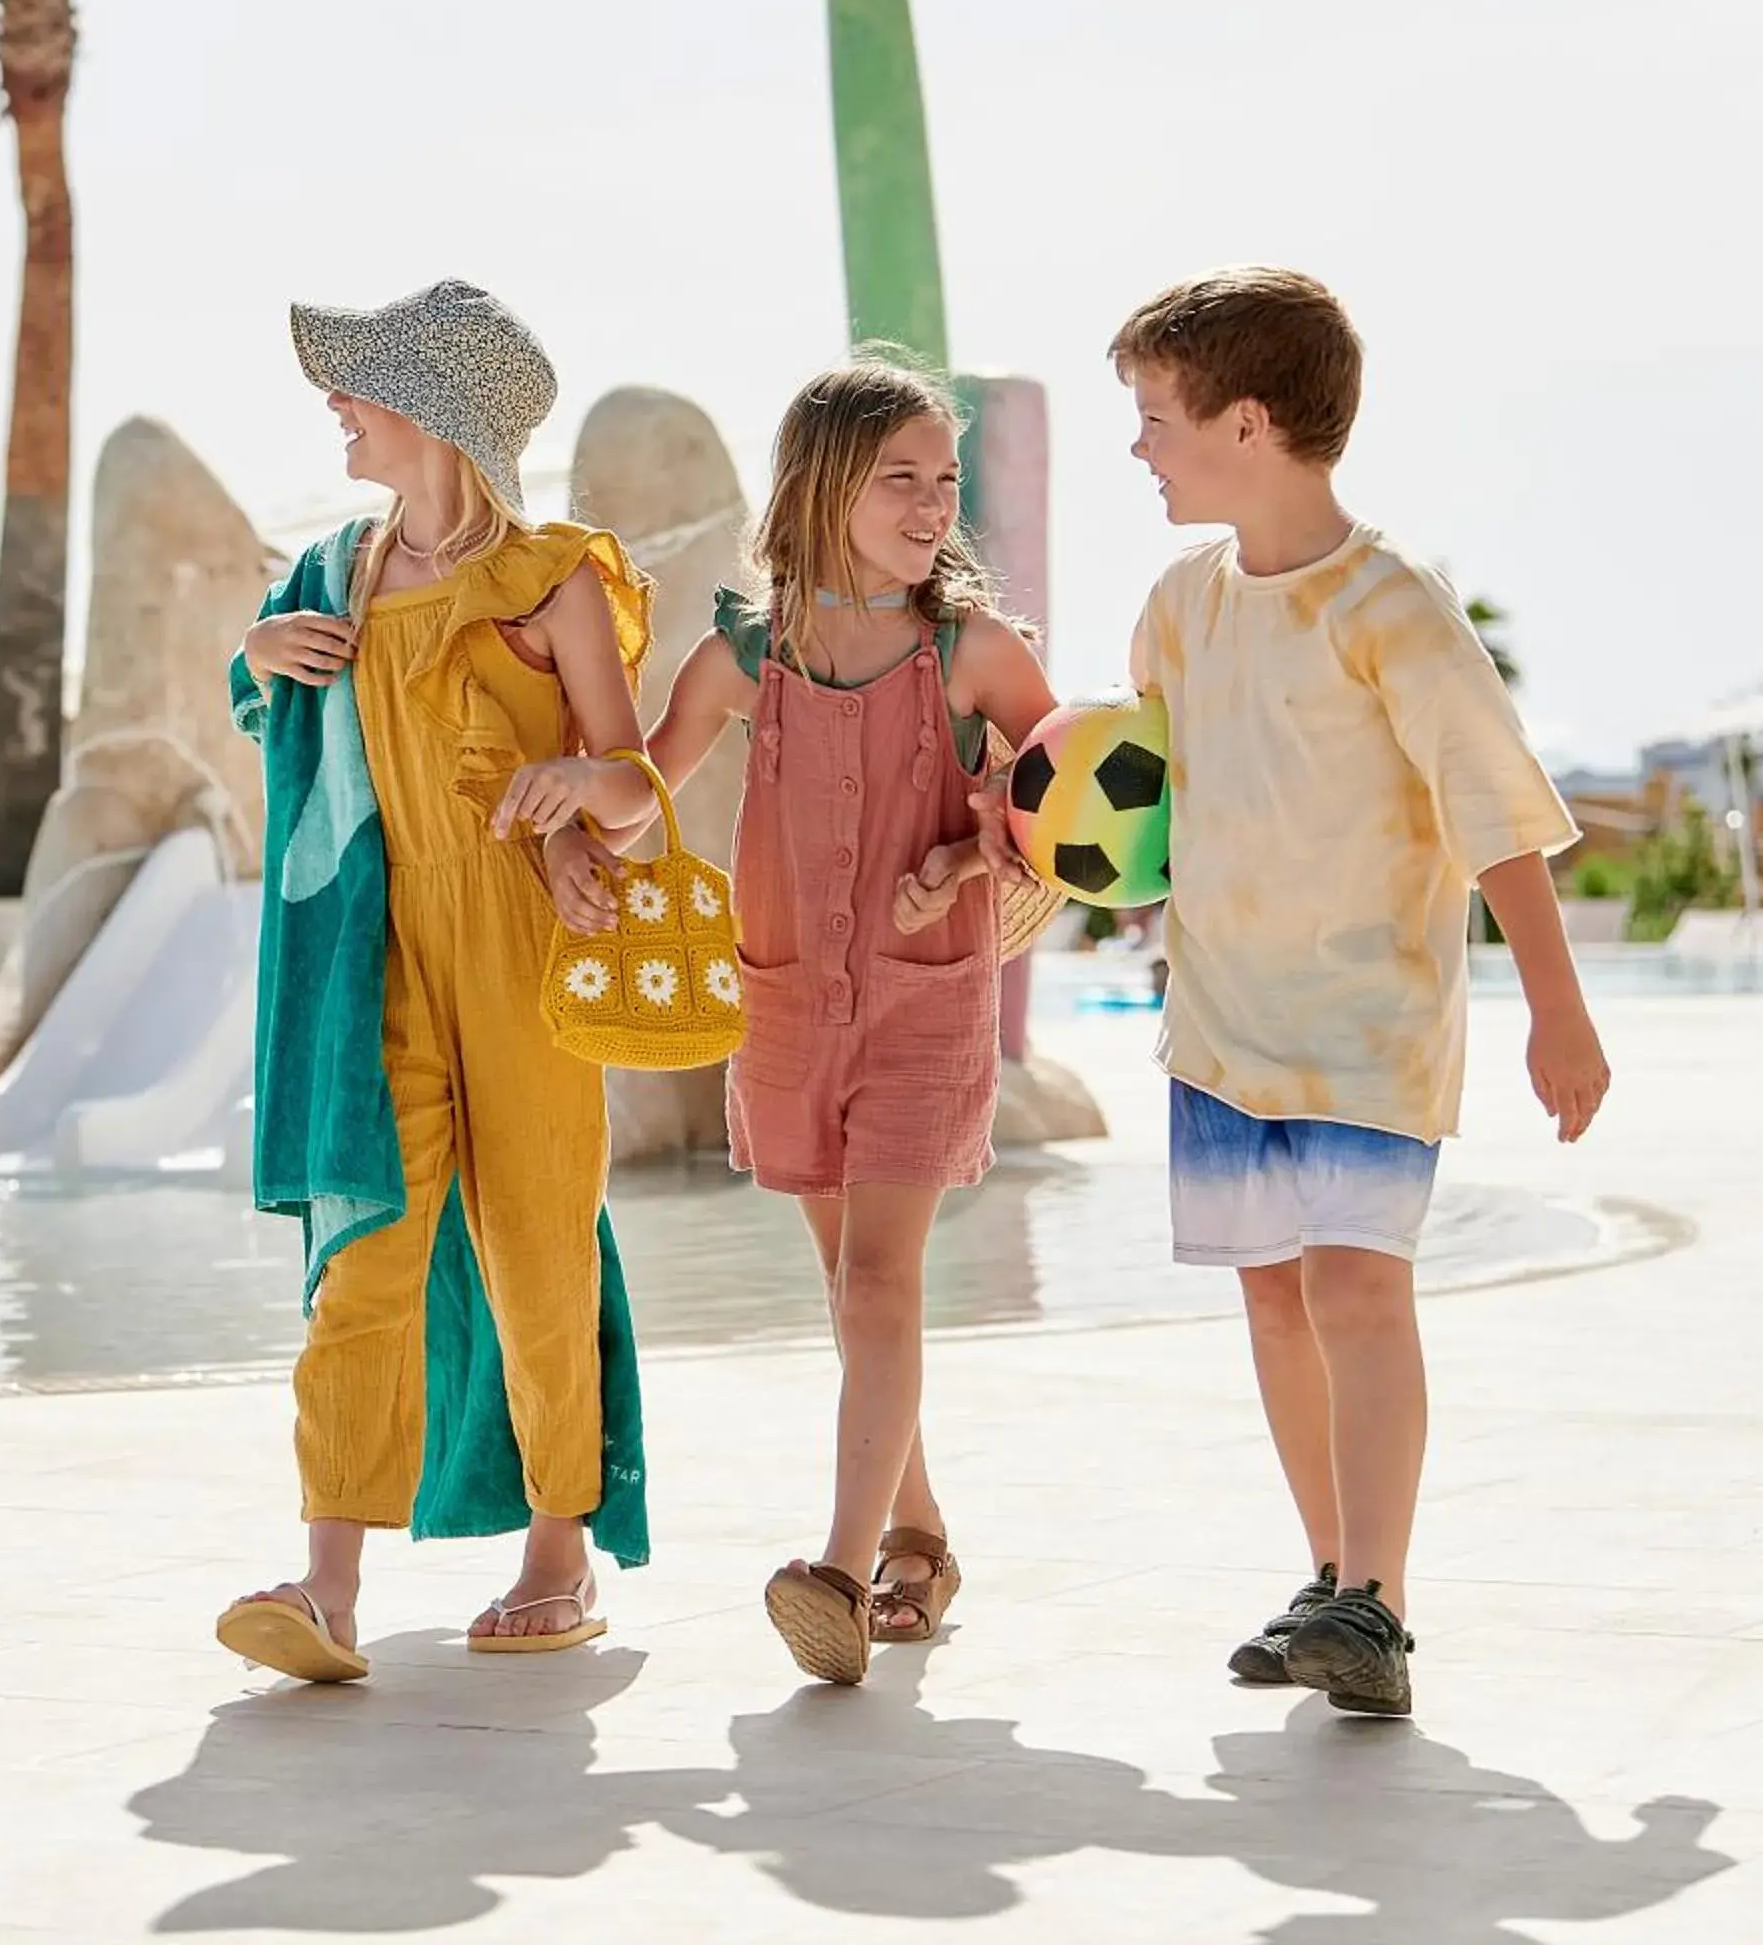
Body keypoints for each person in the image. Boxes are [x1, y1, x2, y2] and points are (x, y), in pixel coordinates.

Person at [1104, 267, 1608, 1716]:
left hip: (1368, 1026)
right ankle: (1328, 1578)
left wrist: (1558, 1012)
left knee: (1353, 1290)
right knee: (1272, 1300)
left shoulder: (1391, 604)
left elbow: (1494, 810)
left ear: (1246, 424)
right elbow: (1135, 799)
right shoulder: (1179, 605)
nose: (1141, 447)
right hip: (1220, 1025)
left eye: (1156, 419)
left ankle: (1377, 1601)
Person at [530, 352, 1056, 1686]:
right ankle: (921, 1535)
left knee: (879, 1280)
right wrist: (571, 811)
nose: (935, 502)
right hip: (787, 1005)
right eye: (902, 479)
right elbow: (647, 784)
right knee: (848, 1289)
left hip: (922, 1009)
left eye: (945, 480)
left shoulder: (972, 655)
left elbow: (1083, 809)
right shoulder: (744, 653)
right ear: (823, 486)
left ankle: (834, 1563)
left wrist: (980, 851)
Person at [217, 279, 657, 1684]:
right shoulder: (326, 577)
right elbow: (275, 721)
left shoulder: (554, 580)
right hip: (369, 952)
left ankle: (560, 1556)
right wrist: (256, 656)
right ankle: (327, 1583)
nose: (333, 407)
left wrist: (573, 787)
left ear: (437, 415)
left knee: (537, 1246)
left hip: (526, 943)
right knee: (363, 1253)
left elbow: (635, 785)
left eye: (357, 385)